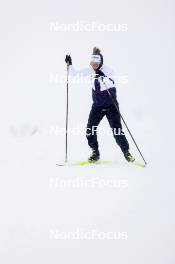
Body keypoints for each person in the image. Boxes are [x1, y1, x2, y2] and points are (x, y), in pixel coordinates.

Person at [65, 47, 135, 163]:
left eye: (96, 63)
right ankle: (95, 153)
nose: (94, 65)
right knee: (90, 130)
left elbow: (112, 83)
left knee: (117, 131)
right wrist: (70, 65)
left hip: (111, 105)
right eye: (92, 63)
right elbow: (75, 75)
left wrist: (104, 79)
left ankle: (127, 153)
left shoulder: (109, 70)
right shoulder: (89, 70)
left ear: (100, 62)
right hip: (97, 106)